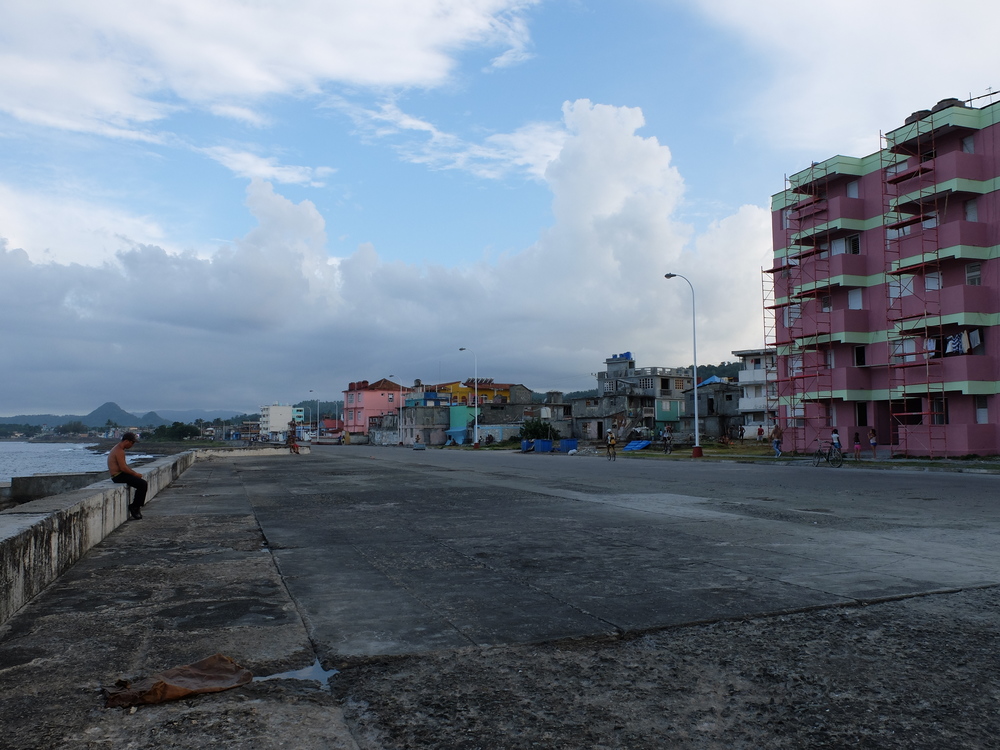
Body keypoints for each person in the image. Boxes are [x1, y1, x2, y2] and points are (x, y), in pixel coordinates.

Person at [108, 432, 148, 520]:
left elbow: (124, 466)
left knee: (140, 483)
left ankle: (136, 506)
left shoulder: (118, 448)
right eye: (132, 443)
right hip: (118, 476)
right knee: (142, 484)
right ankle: (135, 506)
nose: (132, 445)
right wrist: (135, 474)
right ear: (126, 441)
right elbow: (123, 468)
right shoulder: (119, 451)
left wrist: (133, 473)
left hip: (119, 474)